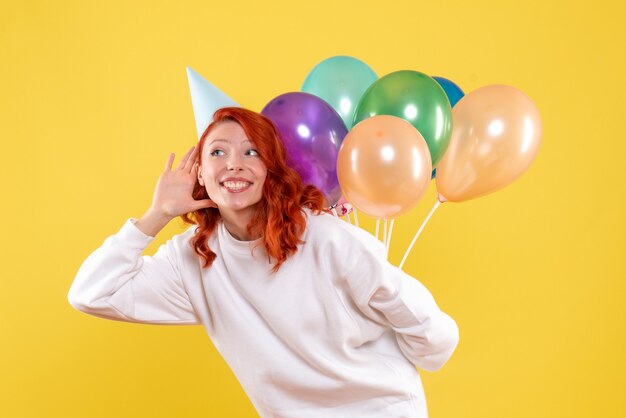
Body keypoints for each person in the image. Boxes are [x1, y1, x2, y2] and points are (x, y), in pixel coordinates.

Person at [68, 107, 459, 417]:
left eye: (251, 152)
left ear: (271, 169)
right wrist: (157, 214)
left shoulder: (325, 237)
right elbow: (91, 293)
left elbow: (428, 328)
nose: (234, 164)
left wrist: (397, 370)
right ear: (199, 172)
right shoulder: (193, 257)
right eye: (218, 152)